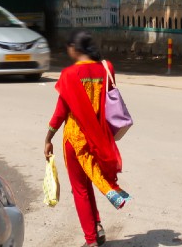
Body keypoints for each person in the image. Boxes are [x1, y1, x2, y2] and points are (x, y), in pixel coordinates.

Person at [45, 31, 129, 247]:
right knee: (89, 183)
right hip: (100, 137)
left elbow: (61, 111)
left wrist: (48, 137)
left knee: (80, 189)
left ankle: (91, 239)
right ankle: (97, 227)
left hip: (76, 140)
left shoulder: (69, 75)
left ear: (74, 48)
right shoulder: (106, 68)